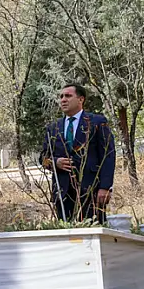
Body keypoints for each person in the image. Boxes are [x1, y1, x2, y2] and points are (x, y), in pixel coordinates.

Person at [40, 83, 116, 224]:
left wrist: (105, 187)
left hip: (91, 191)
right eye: (61, 96)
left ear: (81, 99)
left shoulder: (97, 122)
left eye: (68, 96)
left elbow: (109, 155)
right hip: (63, 194)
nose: (63, 99)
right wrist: (55, 162)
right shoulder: (53, 128)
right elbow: (43, 158)